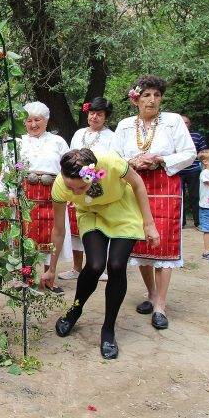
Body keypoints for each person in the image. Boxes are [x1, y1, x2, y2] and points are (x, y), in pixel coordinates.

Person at [44, 149, 159, 358]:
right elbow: (59, 230)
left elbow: (138, 183)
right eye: (71, 187)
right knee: (95, 265)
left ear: (93, 174)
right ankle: (75, 310)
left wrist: (149, 224)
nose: (76, 193)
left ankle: (108, 329)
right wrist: (52, 268)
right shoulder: (60, 186)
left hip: (123, 210)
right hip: (91, 214)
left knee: (116, 265)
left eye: (81, 187)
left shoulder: (112, 163)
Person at [112, 75, 196, 330]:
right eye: (147, 95)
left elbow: (189, 153)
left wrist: (160, 159)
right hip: (134, 184)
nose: (152, 100)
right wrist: (133, 161)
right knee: (140, 241)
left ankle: (161, 304)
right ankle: (150, 294)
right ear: (136, 99)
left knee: (164, 242)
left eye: (157, 95)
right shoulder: (126, 124)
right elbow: (114, 155)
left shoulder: (172, 122)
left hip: (165, 185)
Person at [0, 101, 71, 293]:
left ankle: (49, 279)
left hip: (52, 195)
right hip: (25, 197)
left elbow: (68, 169)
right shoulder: (17, 143)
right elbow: (8, 169)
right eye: (29, 120)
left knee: (52, 236)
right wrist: (11, 192)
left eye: (37, 120)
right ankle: (25, 278)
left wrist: (69, 191)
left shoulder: (58, 142)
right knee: (25, 236)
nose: (33, 124)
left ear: (46, 121)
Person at [60, 97, 116, 282]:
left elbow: (113, 161)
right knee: (77, 225)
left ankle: (102, 267)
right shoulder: (79, 133)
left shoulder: (111, 136)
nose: (94, 117)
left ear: (105, 117)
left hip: (100, 182)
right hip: (77, 184)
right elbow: (70, 156)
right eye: (92, 113)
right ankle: (77, 267)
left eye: (99, 114)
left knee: (101, 224)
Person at [178, 115, 208, 228]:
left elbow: (204, 152)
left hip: (194, 170)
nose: (184, 124)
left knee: (195, 196)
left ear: (189, 124)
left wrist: (195, 155)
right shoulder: (173, 136)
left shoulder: (197, 135)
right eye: (182, 122)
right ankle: (181, 223)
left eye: (186, 122)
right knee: (179, 197)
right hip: (178, 171)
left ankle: (198, 222)